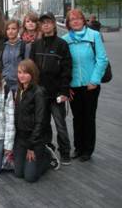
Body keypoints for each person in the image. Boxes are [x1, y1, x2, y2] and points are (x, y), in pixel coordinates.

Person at [62, 9, 108, 162]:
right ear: (68, 23)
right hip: (74, 85)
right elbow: (64, 65)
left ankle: (88, 150)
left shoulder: (94, 36)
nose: (75, 21)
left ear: (83, 20)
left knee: (89, 117)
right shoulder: (65, 39)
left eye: (78, 19)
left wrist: (94, 81)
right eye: (71, 19)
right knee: (77, 118)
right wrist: (66, 86)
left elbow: (102, 59)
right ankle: (78, 148)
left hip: (90, 85)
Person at [30, 12, 72, 165]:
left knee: (60, 124)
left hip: (56, 93)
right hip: (40, 93)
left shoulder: (61, 44)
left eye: (48, 22)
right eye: (43, 23)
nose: (45, 25)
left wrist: (64, 91)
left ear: (54, 24)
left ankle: (65, 151)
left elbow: (67, 70)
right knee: (43, 123)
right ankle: (48, 148)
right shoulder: (36, 45)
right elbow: (32, 69)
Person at [14, 59, 60, 183]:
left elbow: (41, 122)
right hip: (20, 138)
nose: (21, 76)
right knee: (18, 173)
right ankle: (30, 159)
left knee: (30, 177)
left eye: (25, 73)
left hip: (35, 140)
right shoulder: (19, 90)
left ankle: (47, 157)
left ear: (32, 74)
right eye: (19, 72)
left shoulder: (39, 92)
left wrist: (31, 146)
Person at [2, 20, 25, 94]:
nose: (10, 31)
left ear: (18, 30)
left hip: (18, 85)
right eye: (8, 29)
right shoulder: (3, 46)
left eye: (13, 29)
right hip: (4, 84)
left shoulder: (23, 46)